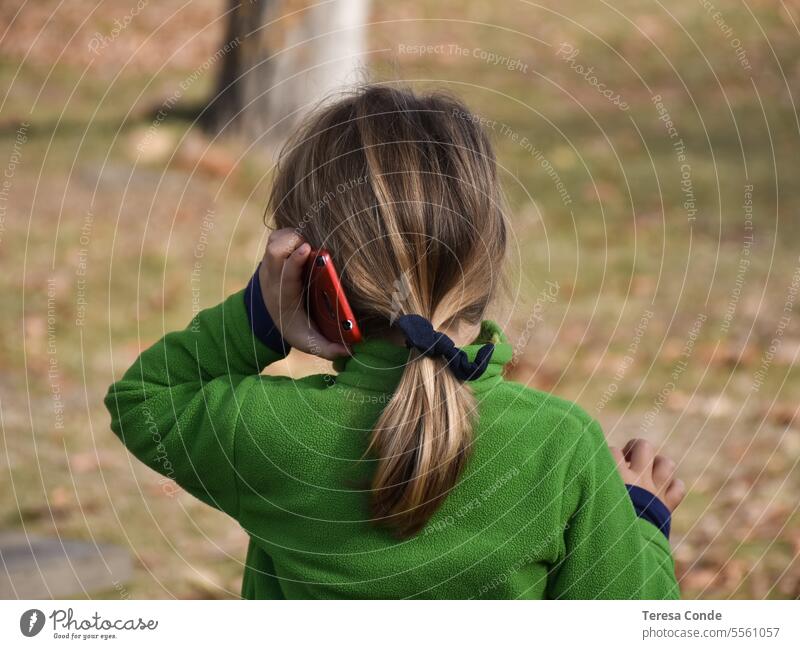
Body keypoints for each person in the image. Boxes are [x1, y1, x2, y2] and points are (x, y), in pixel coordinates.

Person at [105, 84, 684, 599]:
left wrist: (261, 312)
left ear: (315, 278)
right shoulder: (559, 450)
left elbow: (144, 399)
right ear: (491, 252)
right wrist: (640, 521)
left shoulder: (269, 434)